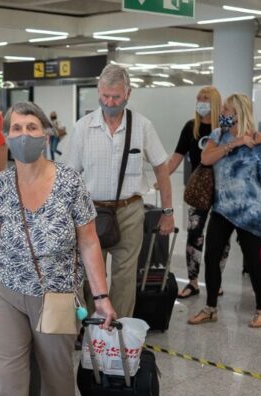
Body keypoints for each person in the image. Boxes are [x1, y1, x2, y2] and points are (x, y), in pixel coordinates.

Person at [0, 101, 117, 396]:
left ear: (46, 134)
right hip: (6, 293)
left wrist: (102, 297)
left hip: (58, 297)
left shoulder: (70, 183)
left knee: (57, 380)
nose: (24, 135)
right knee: (7, 384)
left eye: (32, 128)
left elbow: (90, 242)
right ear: (6, 136)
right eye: (17, 129)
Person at [66, 64, 175, 318]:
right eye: (105, 96)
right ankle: (93, 328)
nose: (110, 102)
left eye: (116, 97)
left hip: (130, 210)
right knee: (91, 273)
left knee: (125, 275)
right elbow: (69, 176)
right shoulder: (83, 127)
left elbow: (161, 168)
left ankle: (119, 327)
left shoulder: (142, 126)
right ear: (98, 92)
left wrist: (168, 212)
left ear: (128, 93)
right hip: (90, 212)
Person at [187, 94, 261, 328]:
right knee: (211, 256)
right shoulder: (218, 135)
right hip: (222, 208)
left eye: (227, 109)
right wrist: (234, 143)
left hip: (251, 211)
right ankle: (210, 308)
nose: (223, 113)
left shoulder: (259, 141)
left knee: (253, 261)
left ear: (239, 112)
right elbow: (206, 158)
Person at [167, 86, 230, 298]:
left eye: (205, 99)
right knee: (194, 234)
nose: (201, 102)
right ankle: (193, 281)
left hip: (223, 190)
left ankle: (216, 281)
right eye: (199, 98)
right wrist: (163, 176)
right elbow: (177, 155)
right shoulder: (191, 127)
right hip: (198, 189)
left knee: (220, 238)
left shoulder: (224, 128)